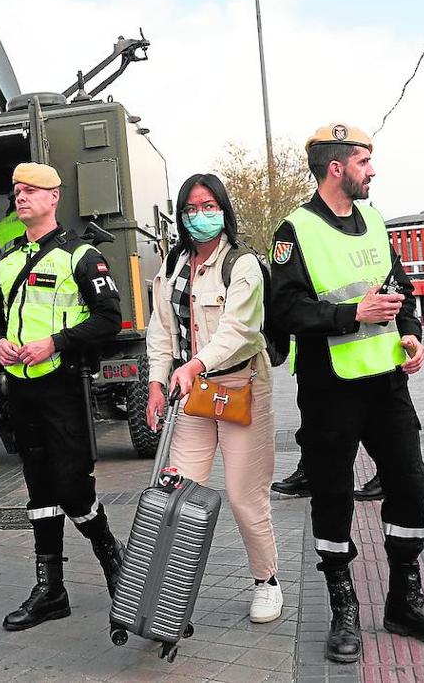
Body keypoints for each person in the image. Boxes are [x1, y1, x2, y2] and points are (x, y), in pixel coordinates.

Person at [271, 123, 424, 663]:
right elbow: (284, 312)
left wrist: (411, 333)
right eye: (363, 161)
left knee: (409, 483)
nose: (372, 170)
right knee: (332, 499)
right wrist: (349, 314)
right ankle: (343, 608)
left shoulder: (377, 221)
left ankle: (404, 600)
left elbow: (399, 289)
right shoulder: (294, 231)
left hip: (387, 382)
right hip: (330, 388)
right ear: (336, 168)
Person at [0, 162, 124, 631]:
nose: (20, 197)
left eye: (30, 191)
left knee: (72, 486)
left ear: (53, 198)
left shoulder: (80, 256)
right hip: (20, 389)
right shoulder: (7, 261)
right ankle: (50, 589)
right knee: (39, 489)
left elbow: (108, 319)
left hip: (63, 388)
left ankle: (117, 570)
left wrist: (55, 342)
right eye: (16, 190)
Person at [144, 173, 283, 624]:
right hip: (194, 394)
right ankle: (168, 591)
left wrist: (195, 364)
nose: (200, 216)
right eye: (191, 208)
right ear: (181, 215)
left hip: (240, 387)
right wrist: (156, 382)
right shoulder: (173, 264)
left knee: (245, 496)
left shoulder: (241, 264)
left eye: (209, 206)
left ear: (223, 210)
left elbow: (240, 331)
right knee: (176, 490)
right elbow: (162, 329)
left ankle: (267, 581)